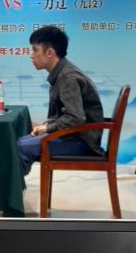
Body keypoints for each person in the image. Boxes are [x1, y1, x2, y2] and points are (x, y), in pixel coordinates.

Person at [17, 25, 105, 176]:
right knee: (20, 142)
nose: (31, 55)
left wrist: (48, 128)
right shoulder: (62, 73)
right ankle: (13, 188)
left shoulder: (68, 78)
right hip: (74, 136)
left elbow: (75, 117)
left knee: (21, 146)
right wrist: (48, 126)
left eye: (35, 50)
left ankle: (10, 190)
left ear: (50, 52)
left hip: (81, 142)